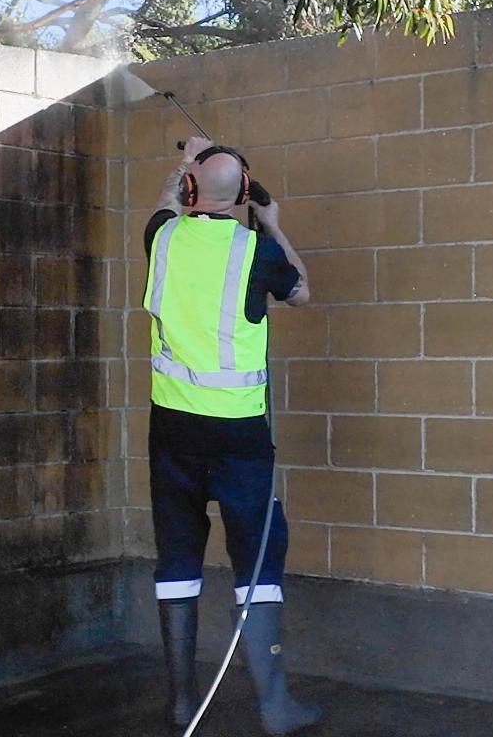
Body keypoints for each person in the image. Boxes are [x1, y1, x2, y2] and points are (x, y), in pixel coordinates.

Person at [143, 136, 320, 736]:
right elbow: (301, 292)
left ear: (190, 190)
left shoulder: (161, 237)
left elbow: (167, 199)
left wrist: (189, 159)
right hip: (241, 437)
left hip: (171, 434)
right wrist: (272, 222)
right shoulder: (257, 252)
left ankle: (181, 705)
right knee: (258, 557)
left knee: (177, 558)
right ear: (244, 195)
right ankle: (274, 707)